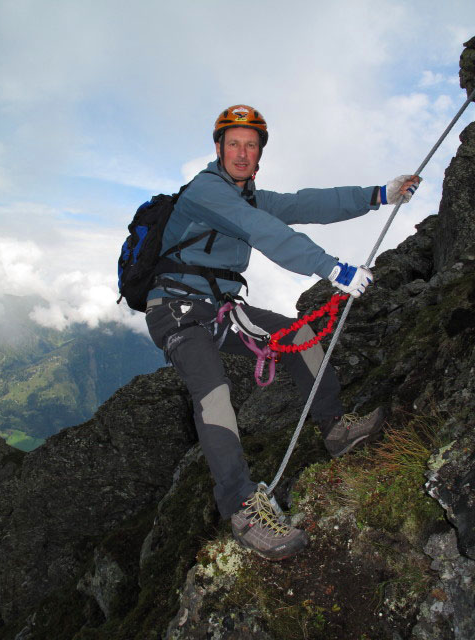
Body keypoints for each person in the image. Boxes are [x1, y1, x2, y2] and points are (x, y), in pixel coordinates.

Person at [145, 105, 420, 561]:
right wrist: (331, 267)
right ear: (218, 149)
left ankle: (335, 428)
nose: (242, 152)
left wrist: (378, 194)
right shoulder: (205, 191)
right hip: (176, 311)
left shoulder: (248, 196)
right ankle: (241, 508)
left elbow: (305, 204)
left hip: (218, 309)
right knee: (214, 393)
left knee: (298, 336)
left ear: (258, 155)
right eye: (233, 143)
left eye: (250, 145)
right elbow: (263, 230)